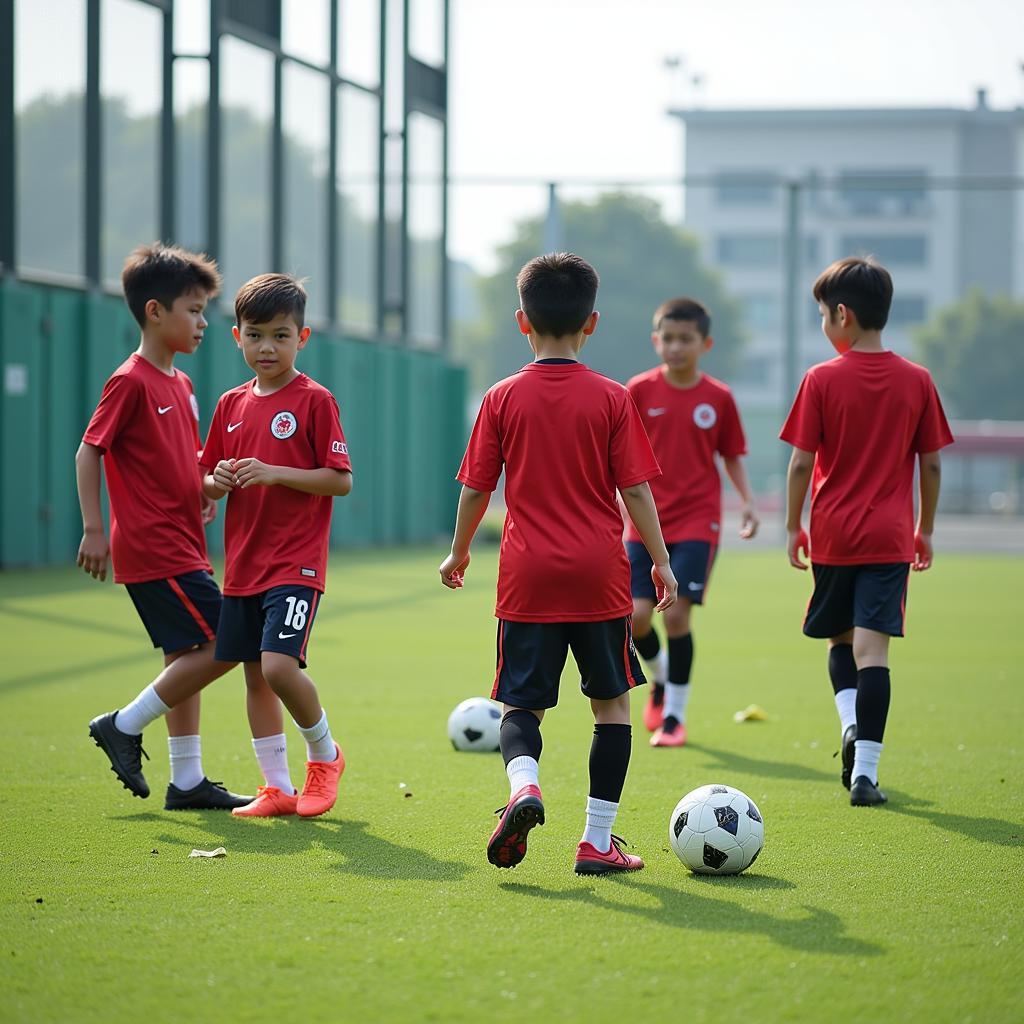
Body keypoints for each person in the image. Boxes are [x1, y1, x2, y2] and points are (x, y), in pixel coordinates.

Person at [439, 252, 678, 875]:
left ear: (523, 321)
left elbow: (474, 490)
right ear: (591, 323)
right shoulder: (612, 398)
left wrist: (460, 550)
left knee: (521, 708)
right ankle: (597, 841)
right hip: (599, 576)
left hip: (527, 578)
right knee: (611, 707)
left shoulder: (500, 398)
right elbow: (637, 492)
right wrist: (660, 564)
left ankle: (523, 788)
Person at [80, 242, 251, 810]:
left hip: (184, 540)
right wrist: (94, 529)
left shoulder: (181, 384)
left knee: (185, 656)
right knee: (233, 639)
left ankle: (186, 781)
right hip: (154, 546)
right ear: (155, 312)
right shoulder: (130, 380)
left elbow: (183, 466)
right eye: (194, 310)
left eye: (205, 310)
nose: (204, 323)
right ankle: (124, 725)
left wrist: (207, 490)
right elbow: (89, 451)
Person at [781, 256, 953, 806]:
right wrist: (924, 528)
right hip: (889, 539)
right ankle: (866, 775)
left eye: (823, 316)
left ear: (842, 315)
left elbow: (802, 463)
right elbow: (930, 464)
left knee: (839, 641)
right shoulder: (917, 380)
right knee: (873, 652)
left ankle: (850, 724)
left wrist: (793, 526)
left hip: (833, 535)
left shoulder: (821, 379)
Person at [201, 273, 352, 819]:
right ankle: (276, 788)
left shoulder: (314, 400)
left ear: (302, 338)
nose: (267, 347)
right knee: (253, 674)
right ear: (236, 337)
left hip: (296, 563)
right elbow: (206, 480)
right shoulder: (229, 405)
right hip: (243, 564)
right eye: (256, 334)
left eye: (281, 336)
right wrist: (215, 481)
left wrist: (275, 473)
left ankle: (325, 757)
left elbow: (339, 479)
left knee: (278, 668)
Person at [625, 297, 759, 747]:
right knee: (636, 618)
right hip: (643, 523)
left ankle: (673, 719)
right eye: (669, 338)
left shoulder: (718, 397)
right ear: (655, 340)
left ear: (706, 344)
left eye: (686, 339)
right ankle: (660, 679)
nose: (676, 347)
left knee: (678, 615)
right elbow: (617, 458)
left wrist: (747, 502)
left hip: (698, 522)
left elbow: (732, 456)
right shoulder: (638, 391)